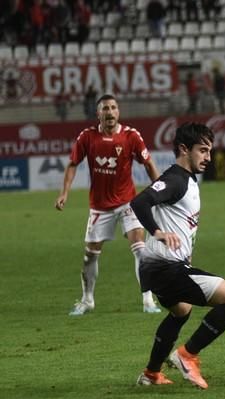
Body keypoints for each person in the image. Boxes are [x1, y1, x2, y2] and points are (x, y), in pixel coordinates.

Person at [131, 122, 225, 389]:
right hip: (165, 268)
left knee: (181, 311)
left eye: (210, 151)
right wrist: (158, 232)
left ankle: (150, 374)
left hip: (160, 268)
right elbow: (140, 202)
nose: (208, 157)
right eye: (202, 150)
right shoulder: (174, 180)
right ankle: (187, 356)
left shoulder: (188, 180)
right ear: (184, 149)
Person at [55, 94, 162, 316]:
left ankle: (148, 300)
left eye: (113, 108)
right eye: (105, 108)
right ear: (98, 114)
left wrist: (159, 191)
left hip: (128, 203)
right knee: (90, 256)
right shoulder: (87, 137)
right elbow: (73, 163)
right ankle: (87, 300)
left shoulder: (131, 136)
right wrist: (64, 192)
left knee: (141, 251)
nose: (110, 112)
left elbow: (149, 163)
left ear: (118, 112)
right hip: (100, 207)